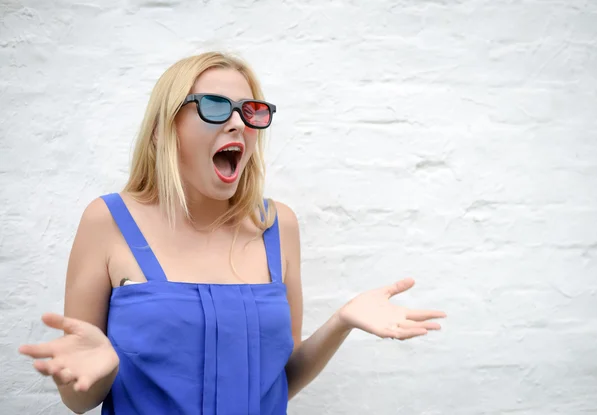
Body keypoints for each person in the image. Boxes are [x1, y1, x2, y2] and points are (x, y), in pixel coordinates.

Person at [18, 51, 446, 415]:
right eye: (215, 106)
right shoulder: (107, 221)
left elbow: (279, 378)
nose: (239, 123)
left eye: (250, 110)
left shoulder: (278, 226)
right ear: (165, 128)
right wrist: (103, 367)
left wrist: (342, 321)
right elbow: (79, 401)